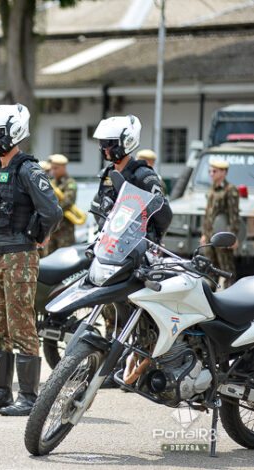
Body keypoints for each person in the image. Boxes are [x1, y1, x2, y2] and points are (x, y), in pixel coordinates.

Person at [0, 104, 62, 417]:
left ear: (13, 134)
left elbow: (52, 211)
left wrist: (37, 236)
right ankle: (0, 393)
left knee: (21, 326)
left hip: (19, 255)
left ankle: (29, 396)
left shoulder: (28, 169)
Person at [90, 115, 172, 382]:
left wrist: (146, 235)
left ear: (126, 142)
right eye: (103, 143)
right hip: (112, 252)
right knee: (112, 310)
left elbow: (164, 214)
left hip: (138, 254)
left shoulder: (144, 175)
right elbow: (99, 208)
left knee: (140, 313)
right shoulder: (107, 175)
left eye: (110, 143)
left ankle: (142, 369)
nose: (105, 148)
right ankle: (115, 367)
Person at [200, 159, 239, 288]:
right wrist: (204, 234)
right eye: (210, 171)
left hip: (222, 236)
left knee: (227, 270)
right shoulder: (212, 189)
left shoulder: (230, 190)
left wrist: (232, 237)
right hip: (209, 236)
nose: (211, 174)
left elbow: (234, 216)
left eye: (214, 171)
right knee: (210, 269)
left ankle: (230, 294)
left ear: (223, 172)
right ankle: (210, 295)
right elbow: (208, 214)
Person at [47, 154, 77, 254]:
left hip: (65, 229)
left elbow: (68, 202)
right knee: (49, 257)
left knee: (65, 255)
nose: (53, 171)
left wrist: (51, 210)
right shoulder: (52, 182)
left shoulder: (70, 183)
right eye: (52, 168)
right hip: (52, 228)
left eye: (56, 168)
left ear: (64, 167)